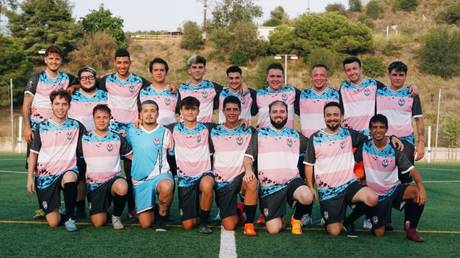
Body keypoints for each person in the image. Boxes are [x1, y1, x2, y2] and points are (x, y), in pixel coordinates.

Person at [344, 114, 426, 241]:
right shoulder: (364, 144)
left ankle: (411, 229)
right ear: (370, 130)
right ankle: (350, 220)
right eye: (374, 127)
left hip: (393, 190)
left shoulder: (394, 148)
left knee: (416, 193)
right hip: (374, 194)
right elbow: (353, 161)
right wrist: (359, 179)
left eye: (381, 127)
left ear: (387, 129)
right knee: (379, 233)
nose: (378, 130)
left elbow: (412, 170)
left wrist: (421, 187)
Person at [304, 102, 379, 237]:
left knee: (372, 198)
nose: (332, 118)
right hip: (328, 191)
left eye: (336, 115)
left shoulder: (348, 133)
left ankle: (348, 221)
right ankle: (335, 215)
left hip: (349, 184)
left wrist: (356, 157)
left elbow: (370, 139)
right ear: (324, 117)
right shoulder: (315, 138)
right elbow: (309, 164)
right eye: (329, 115)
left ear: (342, 117)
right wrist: (310, 186)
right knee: (334, 231)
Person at [22, 45, 78, 219]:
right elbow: (26, 105)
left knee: (63, 166)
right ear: (45, 59)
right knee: (39, 167)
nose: (54, 61)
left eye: (57, 59)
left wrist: (73, 87)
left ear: (61, 61)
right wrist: (26, 126)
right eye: (51, 58)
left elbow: (80, 81)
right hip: (39, 129)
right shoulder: (37, 78)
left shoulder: (66, 77)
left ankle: (66, 207)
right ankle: (43, 207)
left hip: (60, 129)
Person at [246, 100, 314, 235]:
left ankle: (296, 219)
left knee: (307, 196)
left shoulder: (295, 135)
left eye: (282, 112)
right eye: (275, 112)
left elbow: (315, 147)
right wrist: (248, 170)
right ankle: (279, 218)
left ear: (287, 114)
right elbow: (248, 157)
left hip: (291, 182)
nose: (279, 115)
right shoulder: (260, 134)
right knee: (273, 229)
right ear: (269, 114)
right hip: (270, 187)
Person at [98, 48, 150, 218]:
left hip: (131, 130)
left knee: (131, 169)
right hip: (111, 129)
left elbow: (157, 85)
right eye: (119, 62)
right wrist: (74, 86)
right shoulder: (106, 80)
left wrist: (171, 86)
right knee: (108, 167)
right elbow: (88, 83)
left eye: (125, 62)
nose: (122, 66)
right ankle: (105, 206)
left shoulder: (139, 81)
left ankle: (132, 207)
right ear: (114, 62)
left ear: (130, 63)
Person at [26, 89, 85, 232]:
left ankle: (70, 218)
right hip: (46, 175)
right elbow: (33, 154)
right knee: (53, 222)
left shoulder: (76, 126)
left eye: (64, 104)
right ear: (51, 105)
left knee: (70, 177)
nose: (60, 107)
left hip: (67, 170)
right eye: (57, 104)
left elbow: (89, 146)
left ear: (69, 106)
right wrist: (30, 178)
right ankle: (63, 214)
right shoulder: (41, 127)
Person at [165, 96, 215, 233]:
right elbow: (152, 127)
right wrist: (139, 121)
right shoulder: (173, 129)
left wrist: (241, 121)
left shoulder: (207, 129)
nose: (190, 112)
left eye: (193, 109)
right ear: (181, 111)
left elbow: (229, 127)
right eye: (186, 109)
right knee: (188, 225)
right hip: (185, 178)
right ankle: (199, 209)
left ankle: (204, 222)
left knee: (207, 184)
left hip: (204, 173)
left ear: (198, 111)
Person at [298, 64, 340, 226]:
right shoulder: (302, 94)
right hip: (307, 145)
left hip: (328, 144)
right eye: (316, 75)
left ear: (327, 76)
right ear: (311, 76)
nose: (319, 78)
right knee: (306, 180)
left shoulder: (335, 94)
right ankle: (305, 215)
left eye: (322, 75)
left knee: (326, 181)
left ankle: (326, 214)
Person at [210, 96, 258, 236]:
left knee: (252, 181)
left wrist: (250, 124)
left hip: (241, 177)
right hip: (222, 181)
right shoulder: (213, 130)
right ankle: (238, 211)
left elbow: (266, 132)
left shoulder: (248, 130)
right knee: (229, 225)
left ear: (240, 111)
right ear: (223, 111)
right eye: (228, 109)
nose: (232, 112)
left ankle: (249, 223)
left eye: (235, 110)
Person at [126, 100, 175, 230]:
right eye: (145, 111)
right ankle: (155, 206)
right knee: (146, 224)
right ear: (140, 114)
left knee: (166, 187)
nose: (149, 114)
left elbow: (172, 154)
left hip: (160, 175)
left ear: (157, 114)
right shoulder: (131, 131)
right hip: (140, 180)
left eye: (152, 111)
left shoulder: (165, 132)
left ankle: (162, 215)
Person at [81, 104, 132, 230]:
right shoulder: (84, 138)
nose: (102, 120)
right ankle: (106, 207)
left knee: (122, 186)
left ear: (110, 118)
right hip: (94, 185)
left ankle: (116, 216)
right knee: (99, 223)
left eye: (105, 117)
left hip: (112, 181)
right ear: (93, 119)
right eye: (98, 117)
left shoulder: (117, 137)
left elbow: (132, 157)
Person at [69, 66, 108, 219]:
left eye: (90, 77)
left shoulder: (105, 96)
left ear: (95, 78)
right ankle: (79, 208)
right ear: (79, 80)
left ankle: (96, 204)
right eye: (83, 77)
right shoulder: (71, 95)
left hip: (101, 143)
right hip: (78, 143)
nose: (87, 80)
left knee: (98, 175)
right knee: (80, 176)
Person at [377, 61, 425, 183]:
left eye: (401, 75)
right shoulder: (378, 92)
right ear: (389, 75)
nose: (398, 78)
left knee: (404, 179)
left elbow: (419, 119)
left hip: (405, 141)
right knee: (383, 179)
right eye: (394, 75)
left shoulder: (411, 94)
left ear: (405, 76)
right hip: (384, 140)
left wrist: (421, 143)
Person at [256, 63, 300, 129]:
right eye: (272, 76)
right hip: (264, 137)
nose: (275, 79)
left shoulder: (292, 91)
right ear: (267, 78)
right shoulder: (259, 94)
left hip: (286, 137)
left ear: (283, 78)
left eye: (278, 76)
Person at [139, 57, 180, 125]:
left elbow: (182, 112)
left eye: (162, 70)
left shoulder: (174, 91)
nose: (159, 73)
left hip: (170, 132)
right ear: (151, 72)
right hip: (150, 132)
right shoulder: (143, 92)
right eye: (156, 70)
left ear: (166, 72)